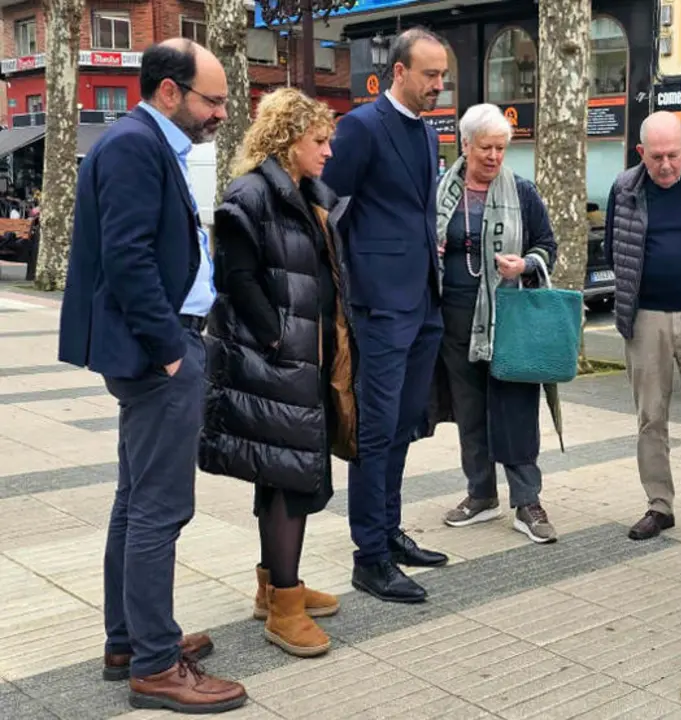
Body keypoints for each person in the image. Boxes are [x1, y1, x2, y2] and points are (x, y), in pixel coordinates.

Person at [57, 39, 246, 714]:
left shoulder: (142, 141)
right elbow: (129, 256)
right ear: (170, 92)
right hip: (158, 355)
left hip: (153, 351)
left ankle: (129, 641)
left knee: (136, 501)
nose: (221, 113)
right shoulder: (138, 146)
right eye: (213, 100)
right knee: (159, 509)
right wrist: (172, 348)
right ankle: (156, 664)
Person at [199, 87, 352, 658]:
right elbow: (236, 278)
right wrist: (276, 337)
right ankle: (283, 606)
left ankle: (275, 586)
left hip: (299, 358)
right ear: (288, 141)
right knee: (288, 475)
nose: (328, 152)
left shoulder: (306, 193)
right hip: (276, 360)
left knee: (285, 471)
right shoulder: (252, 193)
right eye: (319, 141)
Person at [321, 27, 449, 604]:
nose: (439, 85)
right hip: (379, 304)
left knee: (401, 427)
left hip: (423, 300)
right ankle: (368, 556)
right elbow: (324, 202)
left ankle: (390, 533)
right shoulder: (362, 127)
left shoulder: (426, 132)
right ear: (399, 71)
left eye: (442, 75)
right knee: (375, 432)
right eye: (430, 74)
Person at [433, 103, 559, 543]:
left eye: (501, 149)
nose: (493, 157)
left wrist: (524, 264)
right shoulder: (438, 192)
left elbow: (547, 245)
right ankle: (480, 494)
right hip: (454, 317)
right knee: (469, 410)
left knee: (514, 409)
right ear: (464, 145)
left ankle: (527, 502)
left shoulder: (522, 192)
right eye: (485, 147)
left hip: (508, 317)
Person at [604, 111, 681, 542]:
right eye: (656, 157)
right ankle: (659, 506)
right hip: (646, 318)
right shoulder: (624, 188)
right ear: (641, 154)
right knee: (650, 418)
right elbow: (616, 249)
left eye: (673, 154)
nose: (666, 165)